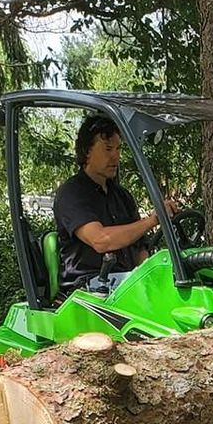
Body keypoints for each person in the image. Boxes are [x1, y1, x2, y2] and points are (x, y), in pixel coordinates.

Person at [52, 115, 163, 293]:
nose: (116, 156)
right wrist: (153, 220)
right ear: (87, 151)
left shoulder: (122, 196)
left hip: (124, 283)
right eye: (108, 149)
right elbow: (101, 240)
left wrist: (150, 280)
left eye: (118, 149)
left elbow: (140, 249)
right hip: (87, 287)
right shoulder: (72, 193)